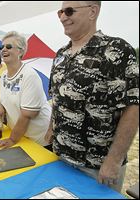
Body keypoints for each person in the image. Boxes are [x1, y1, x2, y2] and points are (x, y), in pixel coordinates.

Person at [45, 1, 139, 192]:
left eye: (69, 11)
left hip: (97, 168)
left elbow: (133, 106)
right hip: (61, 158)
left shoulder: (116, 50)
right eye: (60, 12)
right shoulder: (61, 55)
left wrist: (114, 160)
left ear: (92, 12)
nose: (63, 17)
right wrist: (50, 133)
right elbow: (58, 101)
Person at [0, 31, 52, 149]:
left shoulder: (29, 76)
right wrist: (0, 107)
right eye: (1, 47)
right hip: (22, 137)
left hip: (39, 140)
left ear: (20, 51)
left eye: (9, 46)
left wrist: (12, 139)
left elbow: (27, 115)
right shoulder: (3, 75)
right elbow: (5, 99)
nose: (3, 49)